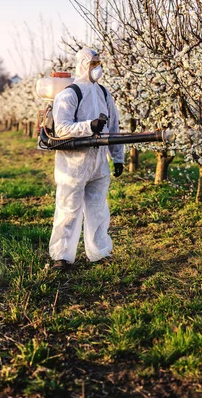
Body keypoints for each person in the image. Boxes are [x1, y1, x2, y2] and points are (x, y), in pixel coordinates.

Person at [49, 47, 124, 271]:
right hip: (73, 165)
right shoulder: (70, 94)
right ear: (83, 65)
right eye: (93, 64)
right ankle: (62, 256)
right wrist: (88, 126)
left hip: (98, 164)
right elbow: (61, 128)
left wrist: (117, 157)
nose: (98, 68)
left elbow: (113, 127)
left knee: (98, 209)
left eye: (99, 63)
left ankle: (99, 253)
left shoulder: (103, 93)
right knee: (68, 210)